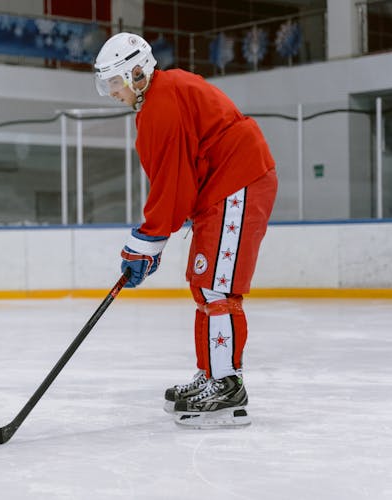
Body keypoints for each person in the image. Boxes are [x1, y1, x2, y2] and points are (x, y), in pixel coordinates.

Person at [93, 33, 277, 428]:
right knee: (204, 281)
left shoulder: (162, 102)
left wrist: (147, 241)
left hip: (238, 180)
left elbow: (171, 181)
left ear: (137, 73)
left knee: (216, 285)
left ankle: (227, 384)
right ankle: (212, 373)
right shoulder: (158, 100)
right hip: (223, 187)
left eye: (114, 82)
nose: (110, 92)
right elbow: (179, 178)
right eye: (105, 83)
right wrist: (152, 239)